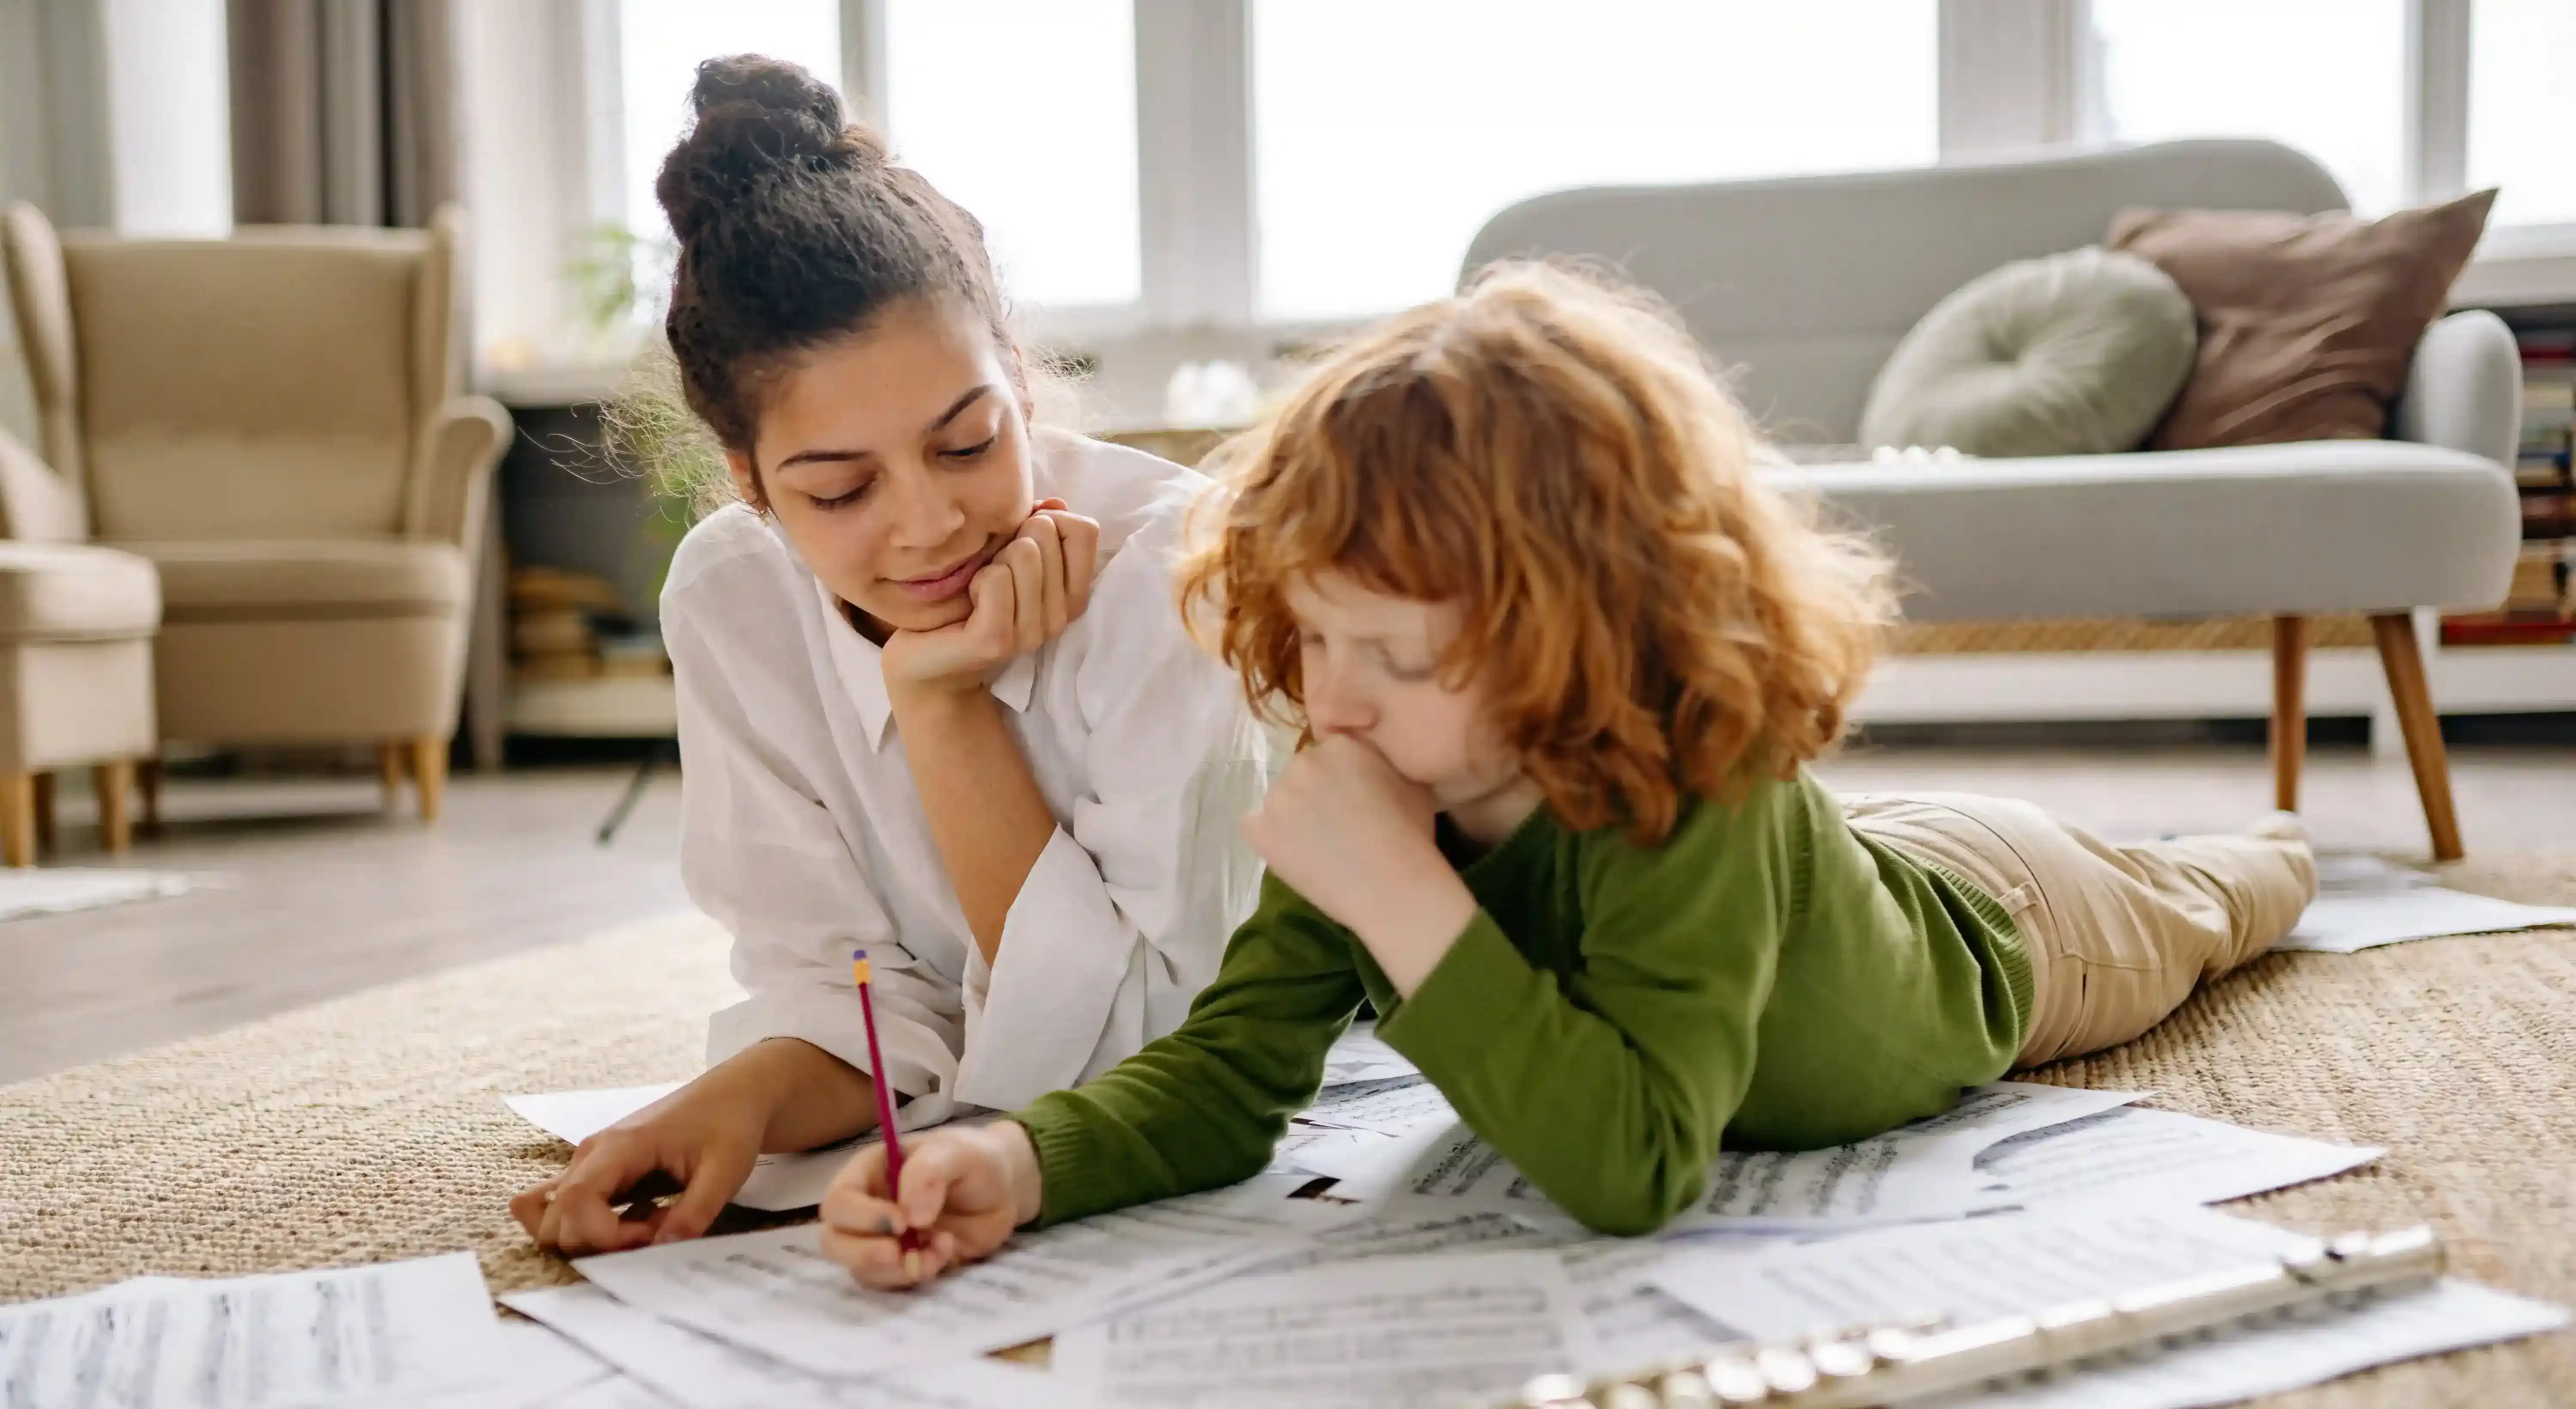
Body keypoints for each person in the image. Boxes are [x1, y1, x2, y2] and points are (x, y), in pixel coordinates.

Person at [811, 262, 2318, 1286]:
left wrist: (1404, 894)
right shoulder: (1374, 763)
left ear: (1582, 636)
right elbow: (1229, 1076)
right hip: (1820, 891)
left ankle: (2295, 847)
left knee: (2215, 897)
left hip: (2003, 925)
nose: (1330, 702)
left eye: (1394, 659)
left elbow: (1640, 1165)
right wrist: (1015, 1161)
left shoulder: (1701, 788)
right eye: (1317, 639)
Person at [510, 56, 1269, 1256]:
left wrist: (940, 703)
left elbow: (1154, 1048)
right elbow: (857, 996)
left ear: (1020, 386)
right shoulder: (731, 597)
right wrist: (744, 1101)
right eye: (842, 487)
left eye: (968, 443)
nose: (929, 525)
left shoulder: (1169, 577)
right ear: (751, 484)